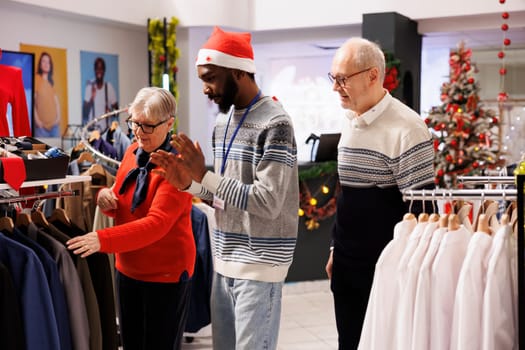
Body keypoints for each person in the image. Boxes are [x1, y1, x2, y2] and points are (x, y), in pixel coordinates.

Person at [150, 26, 299, 350]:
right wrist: (189, 184)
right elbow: (222, 196)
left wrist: (204, 175)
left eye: (210, 78)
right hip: (224, 260)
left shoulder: (277, 123)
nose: (205, 89)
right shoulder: (223, 123)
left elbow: (268, 201)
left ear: (237, 72)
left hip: (260, 265)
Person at [324, 37, 435, 349]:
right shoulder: (350, 122)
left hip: (387, 272)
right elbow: (346, 195)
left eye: (343, 79)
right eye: (333, 78)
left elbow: (422, 214)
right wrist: (335, 248)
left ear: (373, 75)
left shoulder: (408, 129)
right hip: (347, 265)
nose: (336, 87)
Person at [67, 86, 195, 350]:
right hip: (128, 269)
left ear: (169, 123)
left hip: (165, 275)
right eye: (135, 123)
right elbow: (120, 195)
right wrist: (105, 198)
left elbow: (156, 224)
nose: (138, 132)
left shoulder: (178, 167)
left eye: (147, 126)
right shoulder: (132, 153)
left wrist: (102, 239)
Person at [82, 57, 118, 131]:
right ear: (94, 70)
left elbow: (116, 112)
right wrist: (92, 97)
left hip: (106, 131)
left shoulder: (109, 87)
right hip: (93, 132)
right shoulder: (90, 86)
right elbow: (84, 113)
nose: (99, 71)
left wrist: (110, 111)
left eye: (101, 68)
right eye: (97, 68)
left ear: (104, 70)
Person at [34, 52, 60, 137]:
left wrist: (58, 119)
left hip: (54, 127)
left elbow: (56, 103)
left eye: (48, 62)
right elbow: (33, 102)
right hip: (41, 128)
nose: (46, 64)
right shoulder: (36, 79)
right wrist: (37, 121)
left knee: (58, 149)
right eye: (43, 61)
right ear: (40, 64)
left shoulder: (51, 83)